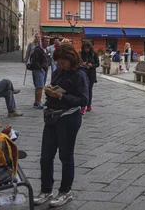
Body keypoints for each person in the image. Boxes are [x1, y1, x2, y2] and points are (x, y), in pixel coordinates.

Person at [34, 43, 88, 208]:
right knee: (45, 156)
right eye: (57, 61)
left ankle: (65, 192)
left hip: (69, 118)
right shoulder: (58, 71)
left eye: (62, 62)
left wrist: (60, 96)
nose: (58, 65)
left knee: (65, 156)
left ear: (71, 60)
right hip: (52, 116)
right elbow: (56, 89)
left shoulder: (80, 75)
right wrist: (50, 90)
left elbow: (83, 100)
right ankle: (46, 190)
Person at [30, 36, 50, 110]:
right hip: (39, 70)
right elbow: (35, 60)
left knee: (40, 86)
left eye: (48, 41)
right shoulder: (38, 50)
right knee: (40, 86)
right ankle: (38, 102)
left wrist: (48, 64)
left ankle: (37, 101)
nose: (47, 43)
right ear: (42, 41)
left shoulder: (46, 50)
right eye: (46, 41)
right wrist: (40, 67)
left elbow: (48, 59)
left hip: (44, 70)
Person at [80, 41, 99, 114]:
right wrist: (82, 64)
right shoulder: (81, 54)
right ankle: (82, 106)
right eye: (85, 48)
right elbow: (78, 63)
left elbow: (97, 64)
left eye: (87, 48)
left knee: (89, 90)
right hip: (83, 73)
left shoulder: (94, 54)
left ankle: (89, 105)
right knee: (83, 90)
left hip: (91, 74)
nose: (86, 50)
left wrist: (92, 65)